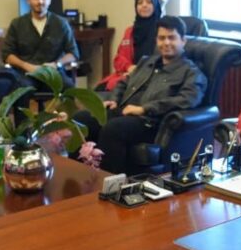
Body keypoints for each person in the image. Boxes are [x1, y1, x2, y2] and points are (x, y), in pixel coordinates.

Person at [74, 16, 206, 174]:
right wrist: (114, 100)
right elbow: (124, 82)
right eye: (161, 38)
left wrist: (145, 108)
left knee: (112, 129)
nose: (166, 43)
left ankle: (109, 182)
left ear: (183, 41)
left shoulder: (191, 72)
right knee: (80, 119)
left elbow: (188, 99)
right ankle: (76, 174)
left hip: (150, 121)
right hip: (123, 111)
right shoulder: (146, 62)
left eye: (172, 38)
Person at [0, 0, 79, 109]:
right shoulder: (17, 24)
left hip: (53, 73)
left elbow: (74, 53)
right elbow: (7, 54)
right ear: (28, 0)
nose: (40, 1)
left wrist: (56, 64)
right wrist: (26, 66)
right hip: (26, 74)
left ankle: (67, 121)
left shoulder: (61, 23)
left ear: (49, 0)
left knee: (69, 87)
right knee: (20, 90)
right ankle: (23, 123)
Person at [97, 0, 162, 91]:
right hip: (128, 74)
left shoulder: (162, 31)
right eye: (140, 3)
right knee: (99, 89)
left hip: (150, 77)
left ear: (156, 5)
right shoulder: (130, 31)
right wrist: (129, 67)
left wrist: (140, 70)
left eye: (149, 2)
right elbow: (118, 58)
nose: (144, 5)